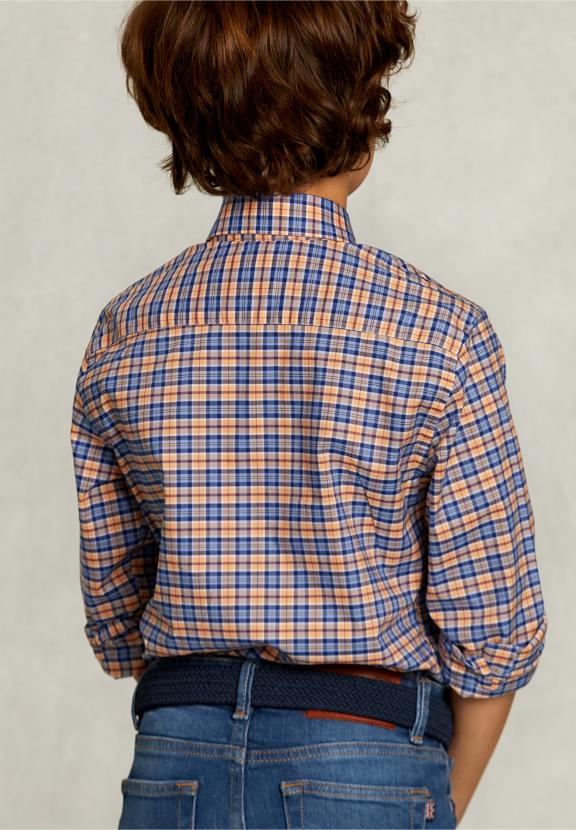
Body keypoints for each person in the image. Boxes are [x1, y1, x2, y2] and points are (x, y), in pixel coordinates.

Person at [69, 2, 548, 828]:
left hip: (175, 758)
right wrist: (438, 802)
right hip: (365, 754)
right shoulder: (439, 331)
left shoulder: (128, 328)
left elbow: (117, 618)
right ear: (359, 110)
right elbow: (493, 632)